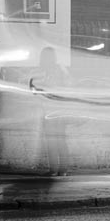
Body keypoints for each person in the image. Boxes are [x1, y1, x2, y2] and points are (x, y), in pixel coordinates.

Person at [29, 47, 71, 176]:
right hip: (57, 109)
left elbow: (34, 90)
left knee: (53, 140)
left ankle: (56, 170)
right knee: (59, 140)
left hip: (51, 110)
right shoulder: (60, 70)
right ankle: (61, 170)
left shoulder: (43, 71)